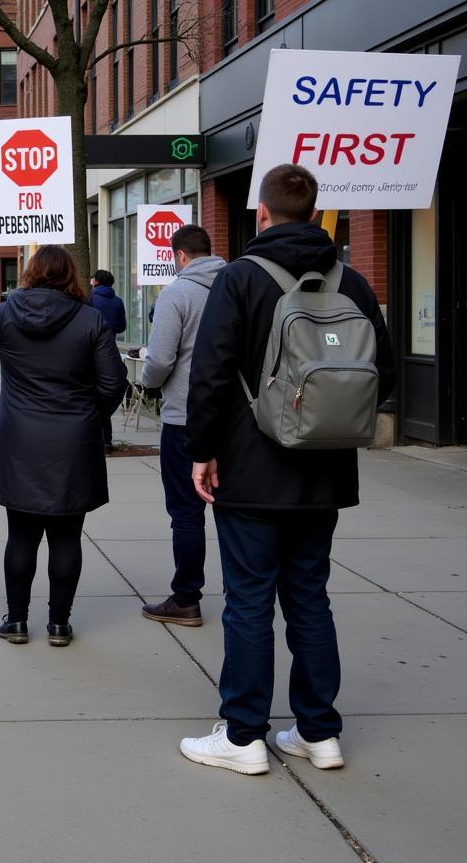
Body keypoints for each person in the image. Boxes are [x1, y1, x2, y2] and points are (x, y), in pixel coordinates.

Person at [180, 164, 395, 775]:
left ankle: (244, 735)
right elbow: (385, 374)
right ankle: (318, 733)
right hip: (325, 474)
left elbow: (212, 374)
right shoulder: (350, 282)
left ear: (263, 213)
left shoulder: (241, 278)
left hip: (250, 469)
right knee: (309, 597)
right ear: (316, 211)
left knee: (248, 601)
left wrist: (203, 449)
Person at [0, 246, 128, 647]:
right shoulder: (92, 320)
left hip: (20, 441)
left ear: (30, 274)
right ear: (71, 275)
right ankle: (58, 625)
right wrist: (87, 416)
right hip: (73, 442)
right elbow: (113, 384)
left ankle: (16, 621)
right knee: (67, 537)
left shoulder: (7, 314)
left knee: (21, 535)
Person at [140, 225, 226, 627]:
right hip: (236, 420)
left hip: (185, 418)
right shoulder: (237, 286)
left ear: (179, 256)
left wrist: (147, 383)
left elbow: (158, 361)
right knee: (234, 509)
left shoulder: (176, 293)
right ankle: (243, 592)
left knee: (187, 512)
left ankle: (187, 597)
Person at [89, 269, 127, 451]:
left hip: (89, 353)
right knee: (105, 396)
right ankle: (107, 440)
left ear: (95, 281)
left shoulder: (89, 300)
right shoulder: (118, 302)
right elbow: (122, 327)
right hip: (110, 352)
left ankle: (94, 438)